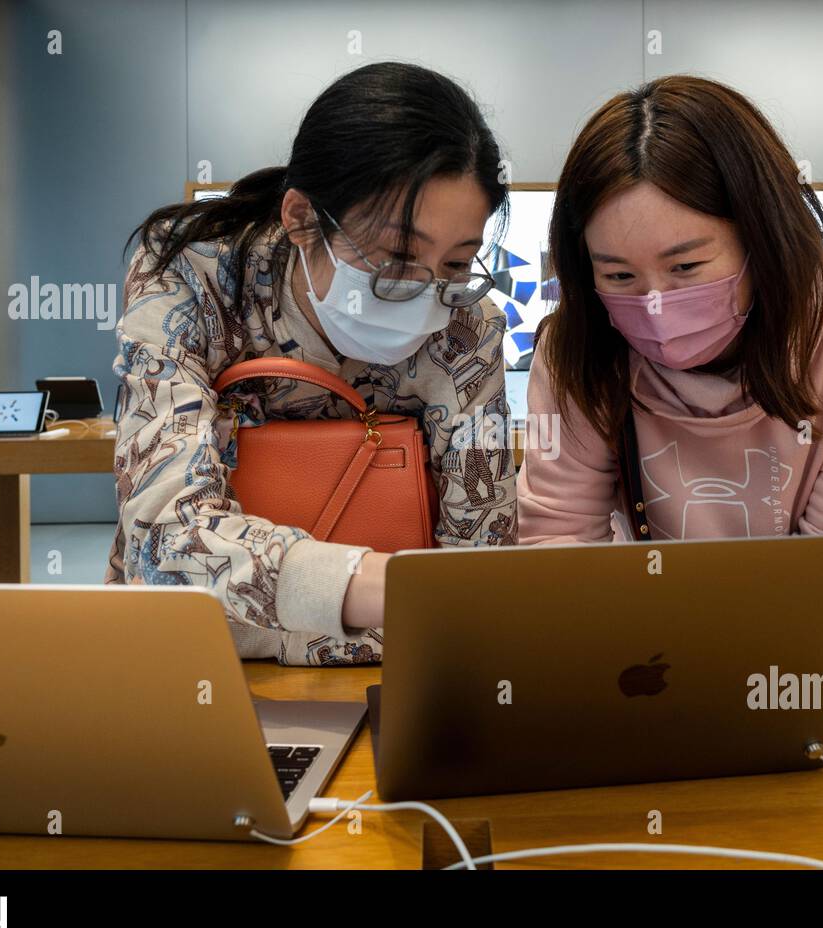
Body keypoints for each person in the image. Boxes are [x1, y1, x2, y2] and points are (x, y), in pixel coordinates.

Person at [106, 63, 516, 665]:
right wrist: (394, 595)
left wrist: (259, 622)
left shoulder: (465, 325)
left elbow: (480, 578)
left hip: (397, 670)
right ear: (300, 220)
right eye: (396, 258)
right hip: (192, 665)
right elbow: (167, 538)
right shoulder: (192, 275)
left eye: (457, 263)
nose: (428, 292)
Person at [517, 76, 823, 544]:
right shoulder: (576, 344)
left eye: (686, 266)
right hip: (634, 612)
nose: (654, 305)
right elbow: (557, 534)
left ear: (761, 237)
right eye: (620, 276)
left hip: (804, 615)